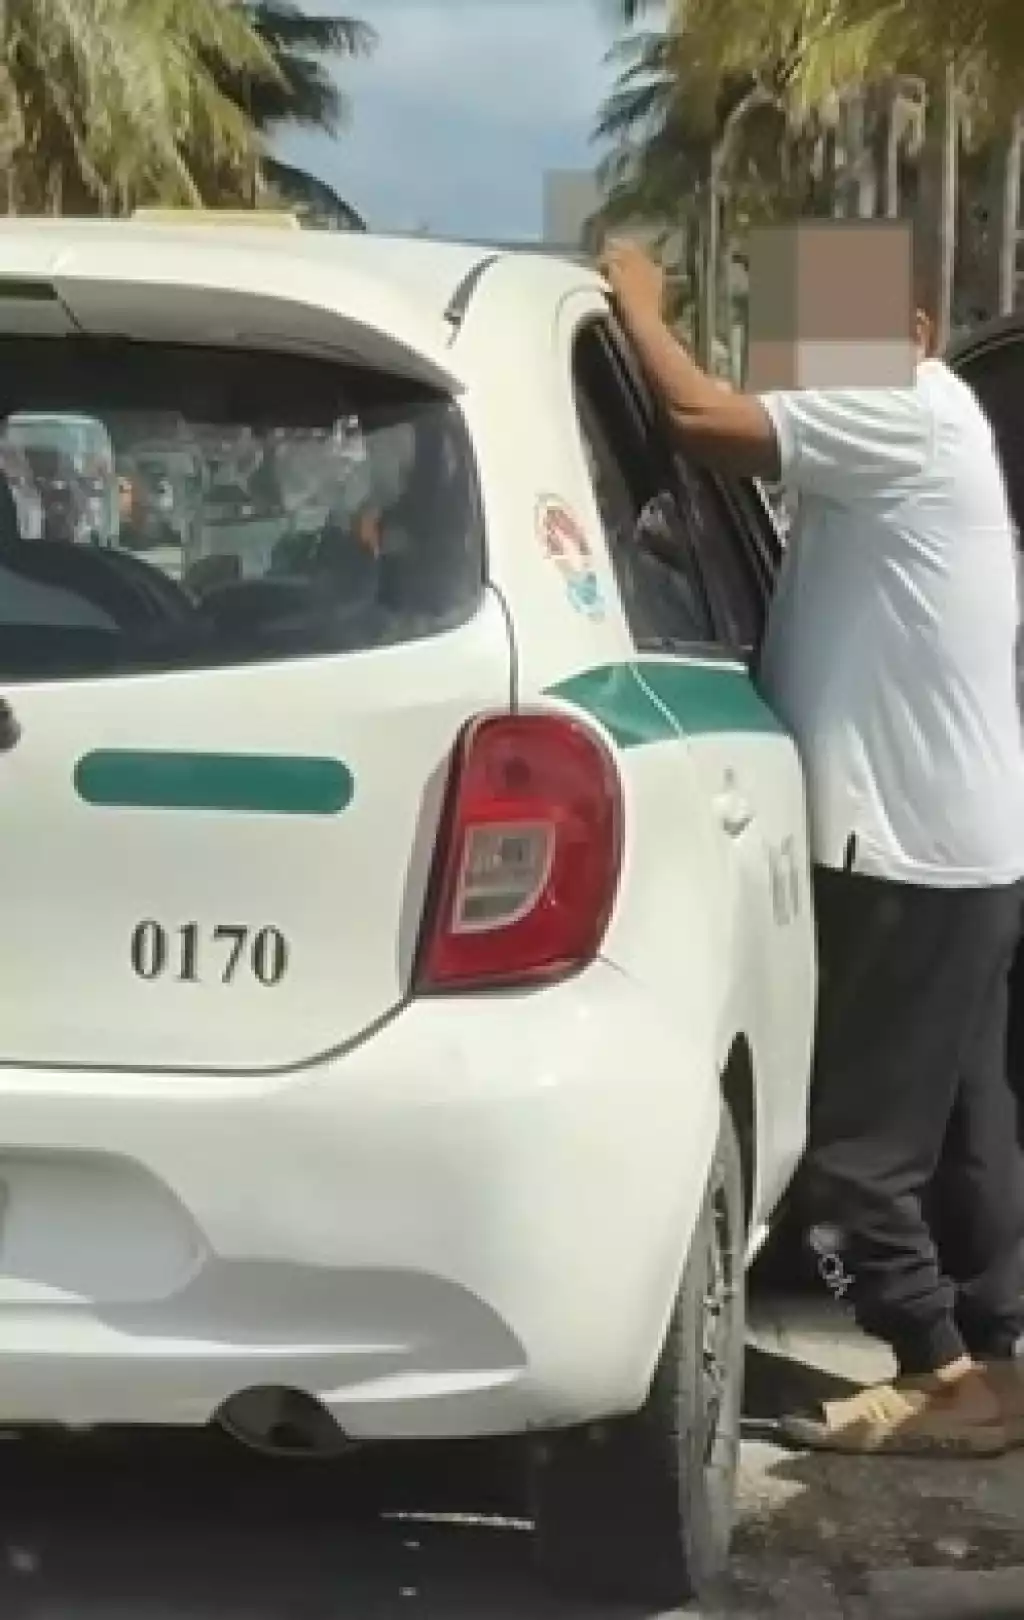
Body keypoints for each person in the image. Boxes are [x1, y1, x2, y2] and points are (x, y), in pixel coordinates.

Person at [599, 237, 1024, 1455]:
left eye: (832, 334)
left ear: (918, 334)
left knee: (845, 1170)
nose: (807, 364)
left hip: (899, 849)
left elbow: (696, 419)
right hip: (955, 846)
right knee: (964, 1134)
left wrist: (637, 307)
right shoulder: (906, 425)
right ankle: (997, 1353)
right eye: (800, 337)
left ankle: (935, 1371)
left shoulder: (902, 412)